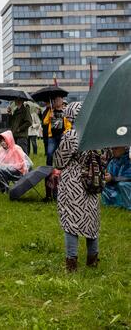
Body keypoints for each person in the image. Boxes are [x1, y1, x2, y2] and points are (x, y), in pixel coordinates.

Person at [54, 102, 108, 272]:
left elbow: (59, 161)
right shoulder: (96, 134)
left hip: (73, 184)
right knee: (91, 221)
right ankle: (93, 260)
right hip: (92, 182)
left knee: (71, 221)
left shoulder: (71, 135)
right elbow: (105, 157)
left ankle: (71, 264)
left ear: (71, 115)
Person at [43, 96, 72, 166]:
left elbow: (69, 125)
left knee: (62, 154)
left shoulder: (65, 111)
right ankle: (48, 170)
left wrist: (64, 133)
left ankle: (61, 168)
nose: (57, 101)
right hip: (52, 137)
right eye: (56, 100)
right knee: (49, 153)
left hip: (62, 136)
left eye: (59, 99)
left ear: (62, 101)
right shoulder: (51, 110)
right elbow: (45, 122)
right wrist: (49, 117)